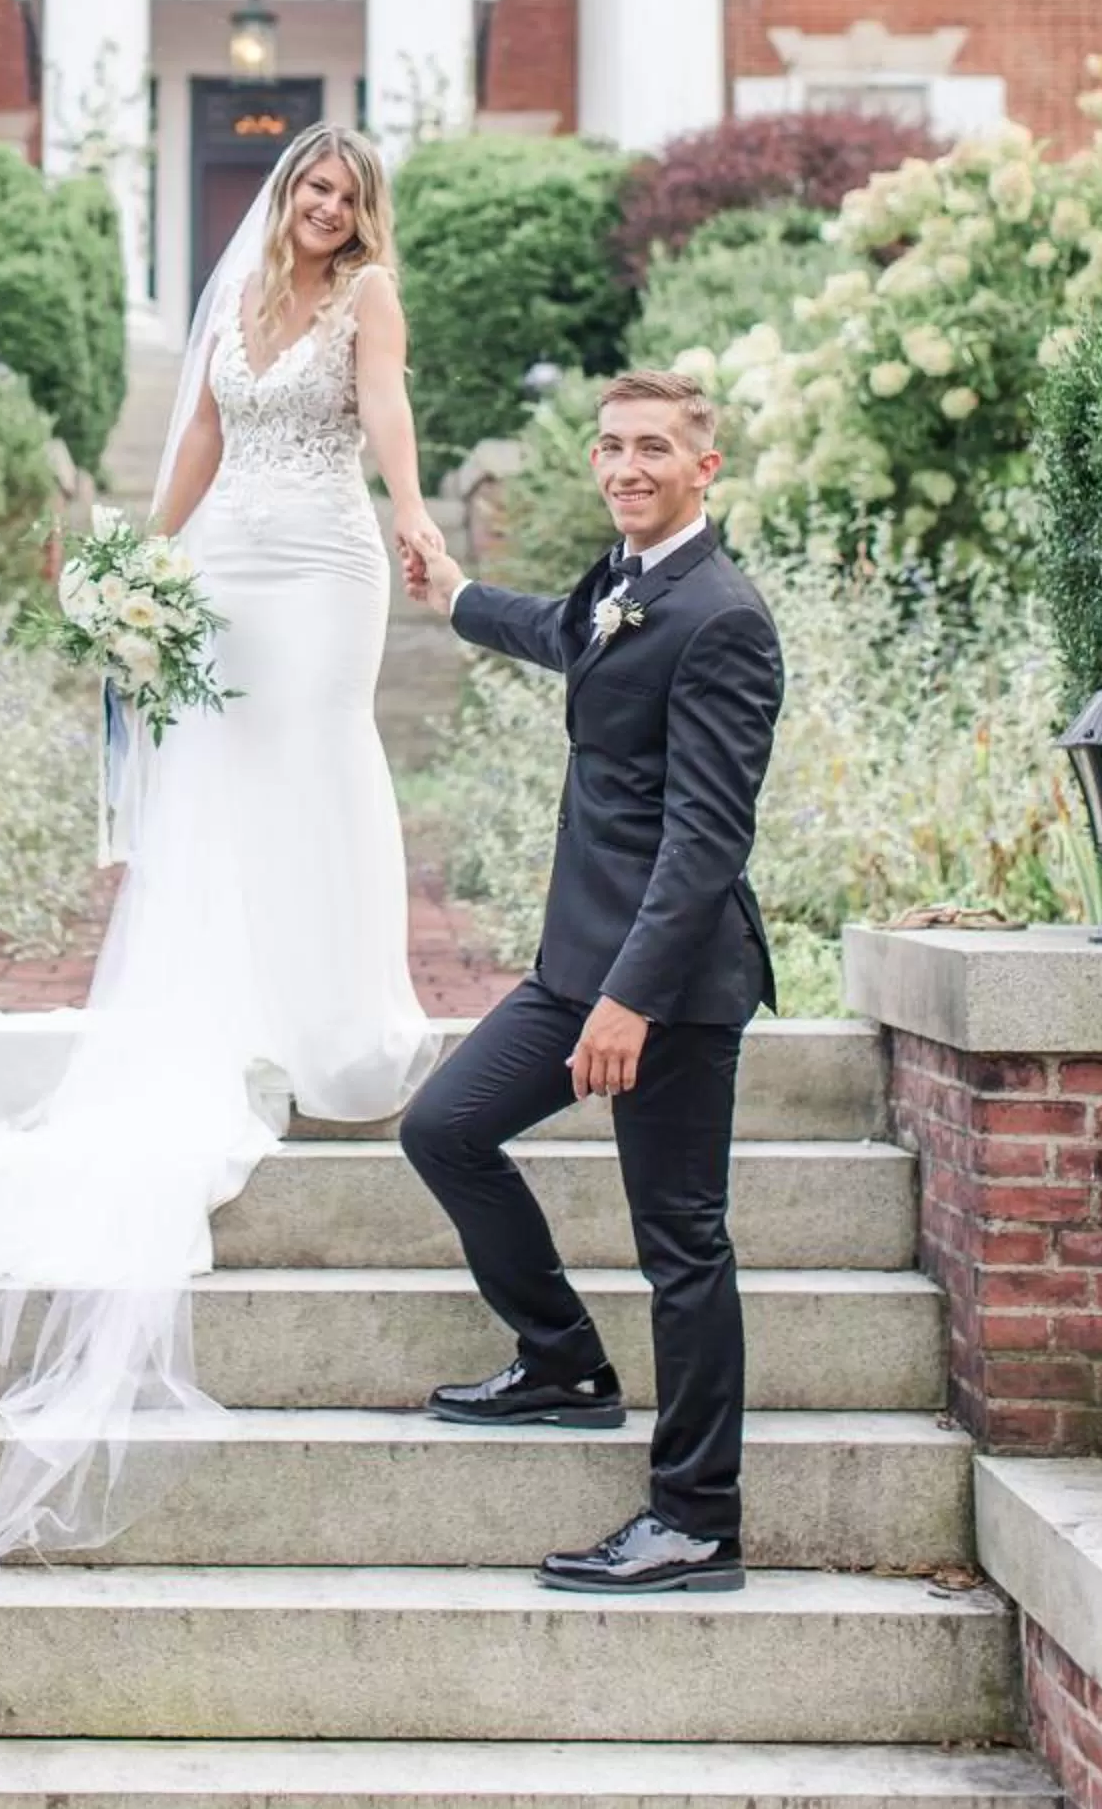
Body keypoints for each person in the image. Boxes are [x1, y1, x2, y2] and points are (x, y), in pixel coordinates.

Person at [0, 124, 444, 1564]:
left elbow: (390, 411)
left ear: (363, 214)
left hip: (326, 567)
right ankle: (229, 1004)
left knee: (318, 753)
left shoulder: (368, 300)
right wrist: (139, 559)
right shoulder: (236, 303)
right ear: (285, 198)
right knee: (218, 776)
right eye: (309, 189)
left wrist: (410, 515)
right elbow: (212, 435)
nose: (323, 209)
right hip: (227, 562)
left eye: (345, 195)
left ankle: (336, 1009)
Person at [401, 369, 782, 1597]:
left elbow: (705, 841)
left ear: (702, 468)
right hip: (579, 964)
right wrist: (454, 598)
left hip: (663, 985)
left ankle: (694, 1520)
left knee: (681, 1247)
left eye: (653, 448)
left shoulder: (721, 616)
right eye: (611, 446)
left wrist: (629, 999)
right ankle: (561, 1360)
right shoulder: (623, 585)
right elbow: (567, 638)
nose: (625, 466)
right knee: (443, 1128)